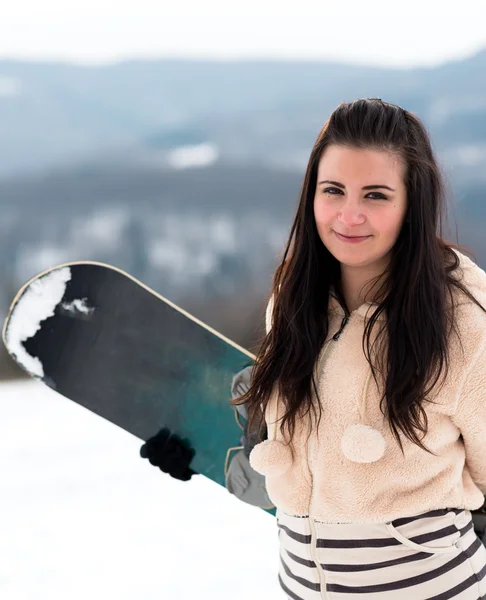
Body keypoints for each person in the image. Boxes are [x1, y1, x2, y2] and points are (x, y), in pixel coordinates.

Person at [141, 98, 486, 599]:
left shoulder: (462, 320)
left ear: (413, 204)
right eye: (334, 190)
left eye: (376, 195)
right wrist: (201, 447)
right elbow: (290, 466)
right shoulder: (294, 298)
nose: (349, 215)